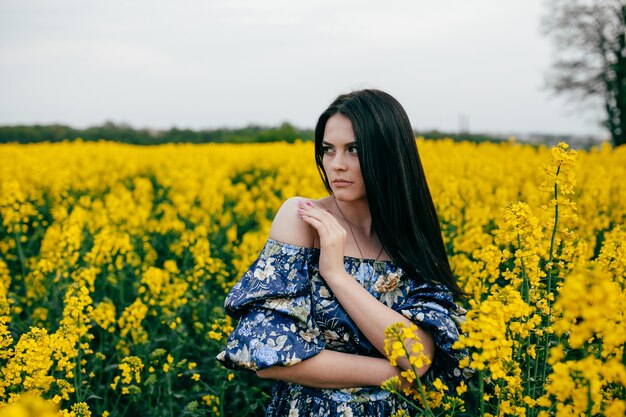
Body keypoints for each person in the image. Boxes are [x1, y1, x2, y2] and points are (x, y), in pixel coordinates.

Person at [217, 89, 468, 416]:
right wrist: (399, 376)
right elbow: (266, 355)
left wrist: (337, 275)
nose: (336, 165)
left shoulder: (411, 236)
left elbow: (417, 354)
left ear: (390, 153)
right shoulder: (302, 219)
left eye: (354, 150)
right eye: (327, 150)